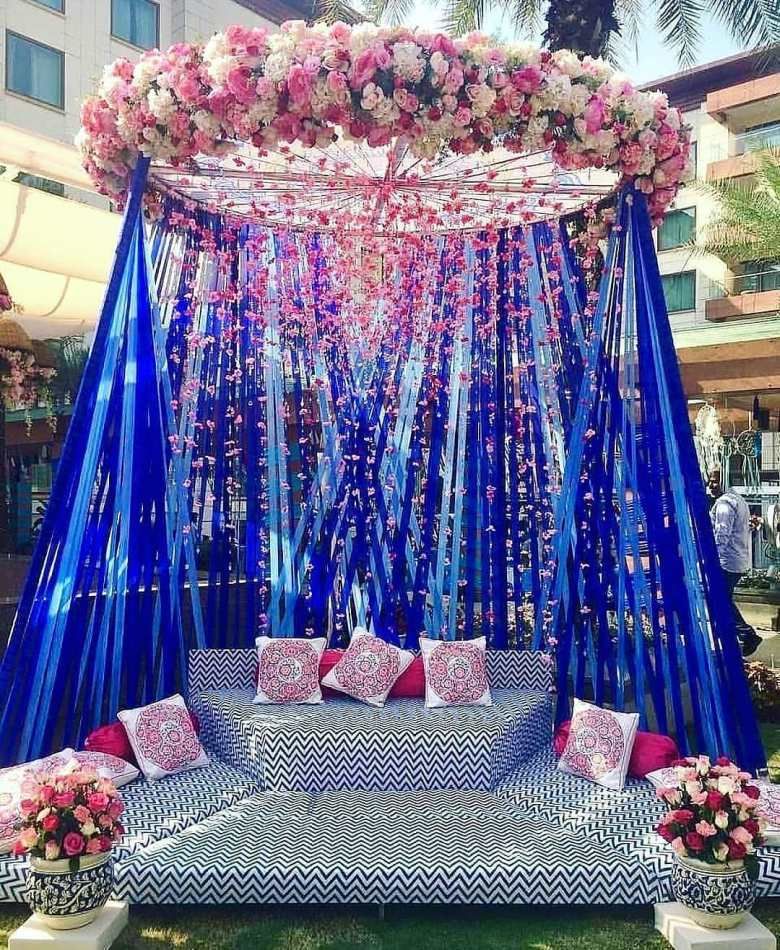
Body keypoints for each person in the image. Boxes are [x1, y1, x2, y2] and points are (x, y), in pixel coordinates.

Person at [708, 470, 762, 657]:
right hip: (736, 561)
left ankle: (747, 635)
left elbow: (721, 535)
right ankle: (732, 637)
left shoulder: (724, 504)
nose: (711, 485)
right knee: (721, 600)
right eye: (710, 481)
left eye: (715, 481)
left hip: (726, 562)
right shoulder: (738, 499)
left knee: (719, 600)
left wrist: (711, 561)